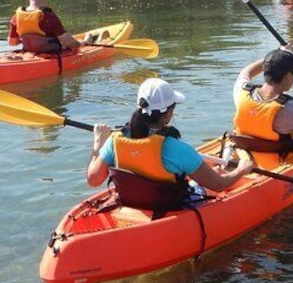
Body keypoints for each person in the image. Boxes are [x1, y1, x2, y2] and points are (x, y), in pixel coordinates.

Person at [87, 78, 254, 209]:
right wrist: (242, 169)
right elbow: (218, 185)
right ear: (167, 114)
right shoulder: (177, 149)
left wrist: (97, 145)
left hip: (133, 201)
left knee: (210, 170)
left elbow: (93, 181)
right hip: (169, 206)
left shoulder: (114, 141)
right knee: (218, 179)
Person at [7, 0, 85, 52]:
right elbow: (68, 42)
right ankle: (86, 40)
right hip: (50, 54)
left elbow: (12, 43)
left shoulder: (16, 17)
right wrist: (80, 44)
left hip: (30, 52)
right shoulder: (49, 16)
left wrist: (28, 40)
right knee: (70, 42)